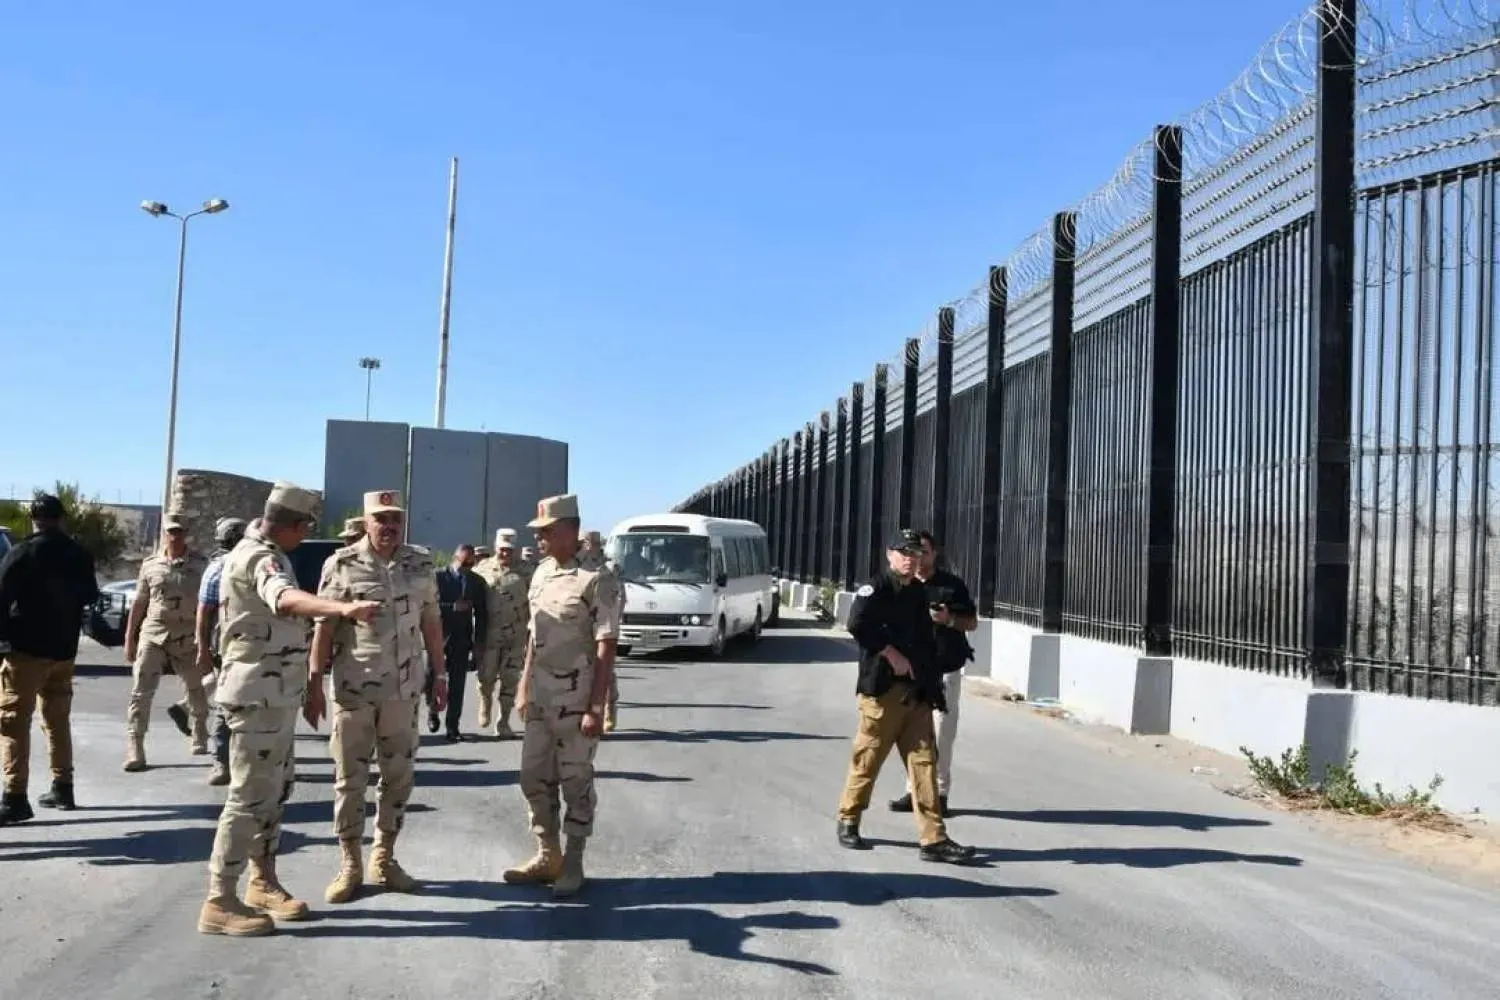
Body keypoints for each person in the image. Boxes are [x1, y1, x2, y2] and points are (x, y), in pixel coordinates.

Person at [198, 482, 379, 937]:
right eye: (304, 531)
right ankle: (219, 899)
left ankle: (262, 881)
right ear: (295, 526)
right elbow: (283, 598)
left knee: (275, 791)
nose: (303, 538)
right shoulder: (263, 557)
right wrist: (344, 608)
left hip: (274, 696)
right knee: (248, 797)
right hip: (258, 696)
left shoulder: (254, 549)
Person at [311, 489, 447, 905]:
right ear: (366, 522)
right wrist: (314, 680)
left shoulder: (420, 563)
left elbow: (431, 622)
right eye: (381, 519)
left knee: (398, 777)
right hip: (355, 688)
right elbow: (324, 625)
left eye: (396, 519)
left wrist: (440, 673)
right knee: (349, 781)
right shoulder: (341, 564)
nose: (389, 526)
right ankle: (350, 862)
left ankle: (384, 857)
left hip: (403, 692)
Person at [503, 494, 621, 896]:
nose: (539, 538)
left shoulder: (597, 579)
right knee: (533, 777)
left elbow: (606, 645)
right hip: (539, 697)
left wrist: (596, 706)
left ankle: (573, 860)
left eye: (547, 532)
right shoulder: (540, 574)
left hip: (576, 700)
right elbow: (534, 638)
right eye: (538, 532)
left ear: (570, 530)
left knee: (575, 781)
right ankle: (546, 853)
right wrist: (522, 686)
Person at [836, 528, 974, 864]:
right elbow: (857, 624)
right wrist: (890, 652)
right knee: (868, 758)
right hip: (882, 693)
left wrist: (933, 683)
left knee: (924, 764)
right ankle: (848, 819)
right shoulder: (876, 588)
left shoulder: (918, 592)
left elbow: (927, 642)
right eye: (904, 553)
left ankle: (933, 839)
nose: (911, 560)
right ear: (889, 554)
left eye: (915, 553)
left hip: (917, 695)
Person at [0, 494, 100, 824]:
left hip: (27, 651)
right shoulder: (79, 554)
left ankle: (15, 796)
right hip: (64, 652)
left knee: (14, 723)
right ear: (61, 519)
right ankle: (63, 785)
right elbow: (91, 597)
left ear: (34, 518)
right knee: (57, 719)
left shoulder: (24, 552)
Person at [890, 530, 977, 818]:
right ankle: (914, 789)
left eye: (924, 551)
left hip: (946, 667)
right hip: (916, 670)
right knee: (915, 733)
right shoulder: (905, 586)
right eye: (913, 552)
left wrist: (947, 619)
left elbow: (971, 623)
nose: (919, 557)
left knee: (942, 733)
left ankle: (939, 793)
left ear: (934, 553)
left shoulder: (952, 586)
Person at [122, 515, 209, 769]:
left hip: (187, 633)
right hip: (154, 632)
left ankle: (200, 730)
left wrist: (207, 638)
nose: (175, 536)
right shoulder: (151, 565)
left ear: (186, 534)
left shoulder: (200, 565)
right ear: (165, 534)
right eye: (171, 532)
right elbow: (139, 603)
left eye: (180, 532)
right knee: (141, 690)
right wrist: (130, 637)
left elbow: (210, 602)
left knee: (196, 687)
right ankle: (135, 746)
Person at [195, 517, 248, 787]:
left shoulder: (255, 562)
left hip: (254, 645)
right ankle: (221, 761)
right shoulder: (219, 568)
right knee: (225, 704)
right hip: (227, 647)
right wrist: (203, 648)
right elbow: (204, 612)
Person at [473, 528, 529, 737]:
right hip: (489, 635)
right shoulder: (483, 569)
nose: (506, 554)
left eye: (510, 550)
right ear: (496, 547)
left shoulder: (526, 571)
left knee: (510, 679)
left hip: (516, 635)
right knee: (486, 676)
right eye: (502, 549)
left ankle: (503, 721)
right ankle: (486, 701)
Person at [435, 543, 486, 741]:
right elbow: (429, 605)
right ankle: (433, 710)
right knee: (432, 677)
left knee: (458, 683)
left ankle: (452, 726)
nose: (467, 567)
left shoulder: (476, 582)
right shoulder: (438, 577)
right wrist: (451, 607)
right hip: (438, 636)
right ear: (455, 558)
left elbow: (481, 613)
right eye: (463, 563)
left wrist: (478, 642)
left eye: (470, 564)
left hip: (462, 638)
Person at [577, 529, 624, 732]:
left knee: (606, 670)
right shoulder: (577, 565)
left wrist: (614, 620)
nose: (588, 546)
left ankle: (609, 707)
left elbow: (620, 595)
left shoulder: (610, 567)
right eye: (586, 543)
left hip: (604, 621)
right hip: (583, 624)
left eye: (592, 543)